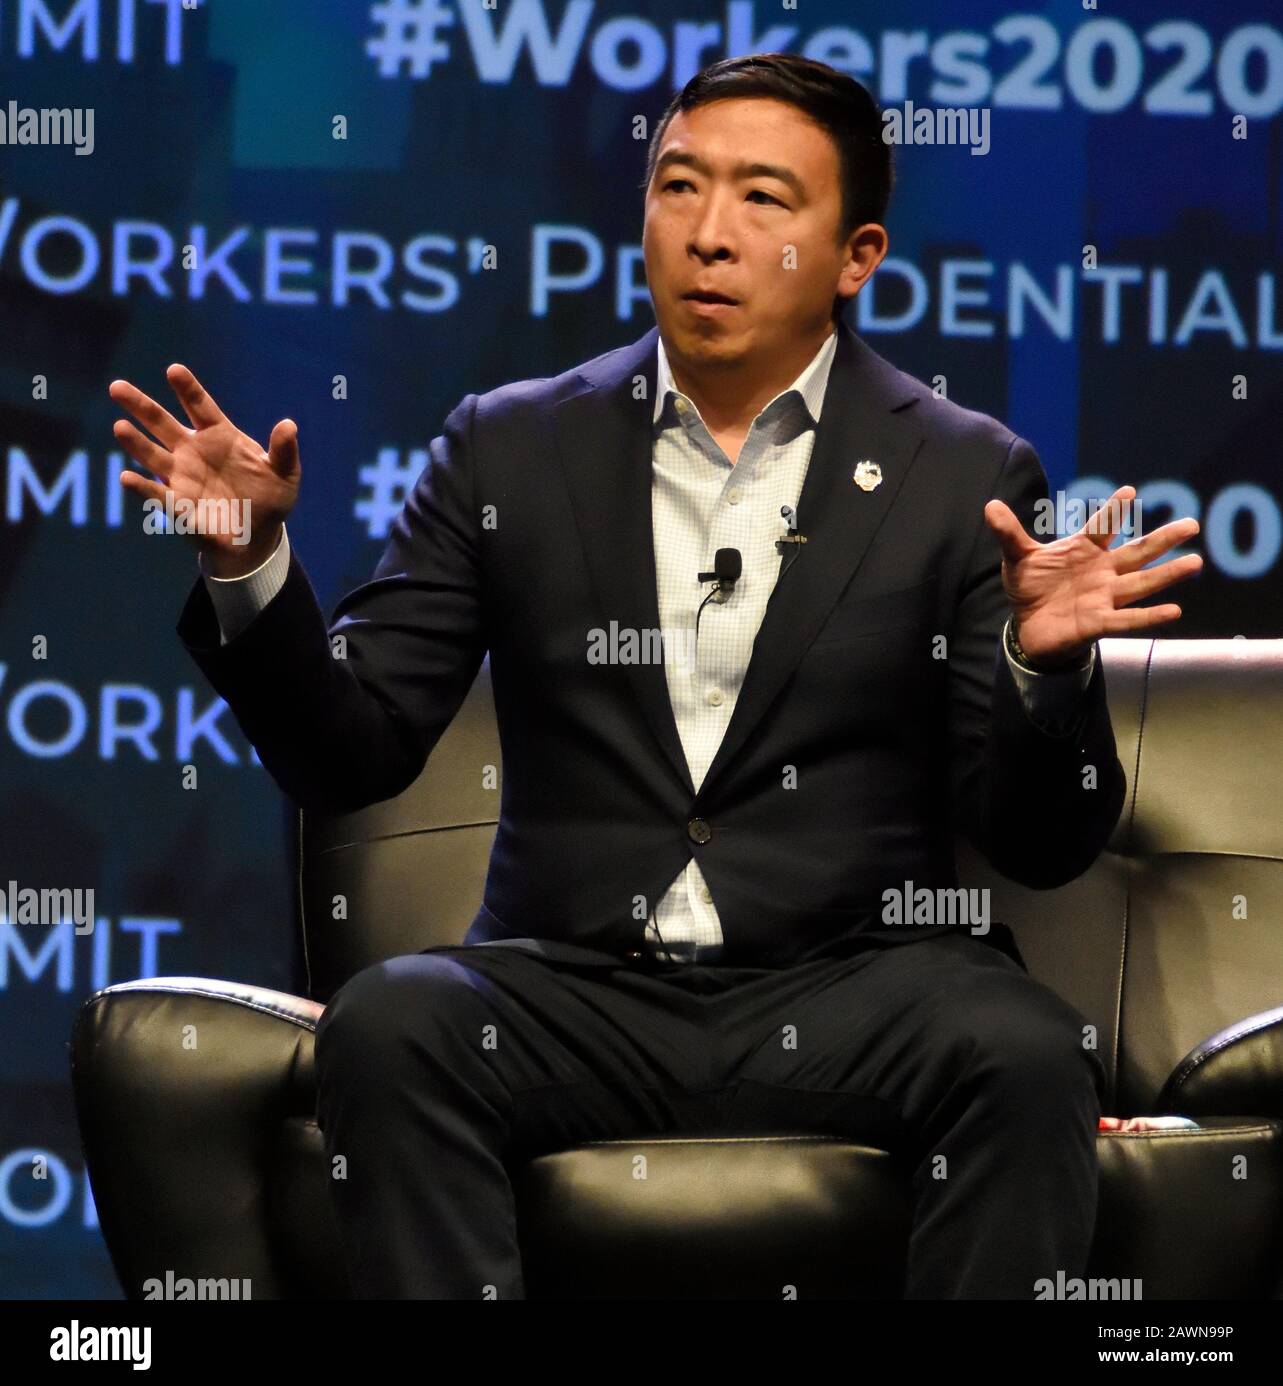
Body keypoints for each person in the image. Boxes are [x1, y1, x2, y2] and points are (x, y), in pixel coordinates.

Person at [107, 54, 1202, 1298]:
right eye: (677, 187)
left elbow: (1038, 840)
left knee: (1022, 1048)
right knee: (394, 1021)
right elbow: (352, 750)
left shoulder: (962, 474)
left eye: (761, 202)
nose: (708, 235)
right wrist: (253, 567)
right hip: (571, 984)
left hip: (854, 982)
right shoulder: (507, 445)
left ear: (855, 255)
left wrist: (1038, 671)